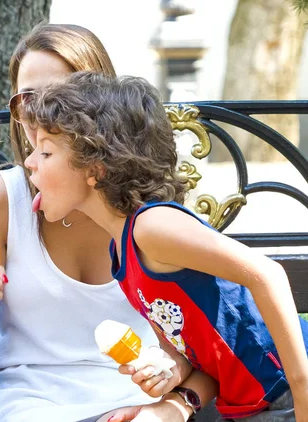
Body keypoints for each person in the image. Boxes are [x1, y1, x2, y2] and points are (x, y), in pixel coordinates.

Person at [0, 24, 216, 422]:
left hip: (135, 406)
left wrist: (169, 402)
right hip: (30, 407)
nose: (42, 117)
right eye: (28, 101)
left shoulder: (145, 208)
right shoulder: (2, 202)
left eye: (63, 97)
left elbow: (192, 343)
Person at [21, 70, 308, 421]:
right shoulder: (122, 252)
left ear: (95, 168)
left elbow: (268, 274)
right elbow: (194, 350)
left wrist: (302, 386)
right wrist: (165, 373)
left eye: (46, 152)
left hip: (287, 390)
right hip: (250, 404)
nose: (29, 162)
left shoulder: (151, 227)